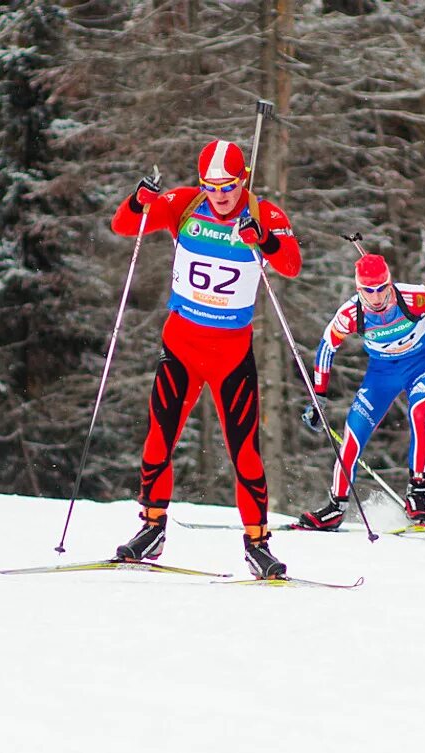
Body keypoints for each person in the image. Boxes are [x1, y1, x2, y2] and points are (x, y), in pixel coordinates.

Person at [109, 139, 301, 578]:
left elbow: (291, 264)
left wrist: (264, 240)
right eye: (211, 186)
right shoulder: (184, 204)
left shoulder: (265, 215)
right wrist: (139, 200)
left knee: (244, 452)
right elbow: (124, 226)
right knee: (159, 439)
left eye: (228, 186)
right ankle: (152, 528)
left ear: (243, 179)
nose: (219, 195)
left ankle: (257, 543)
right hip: (182, 347)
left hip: (230, 356)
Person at [294, 254, 425, 530]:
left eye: (381, 288)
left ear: (389, 283)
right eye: (369, 290)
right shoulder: (350, 314)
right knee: (353, 434)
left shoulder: (412, 297)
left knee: (420, 416)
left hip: (421, 364)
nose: (376, 297)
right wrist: (319, 397)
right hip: (381, 374)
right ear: (359, 288)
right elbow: (327, 347)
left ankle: (417, 494)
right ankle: (335, 507)